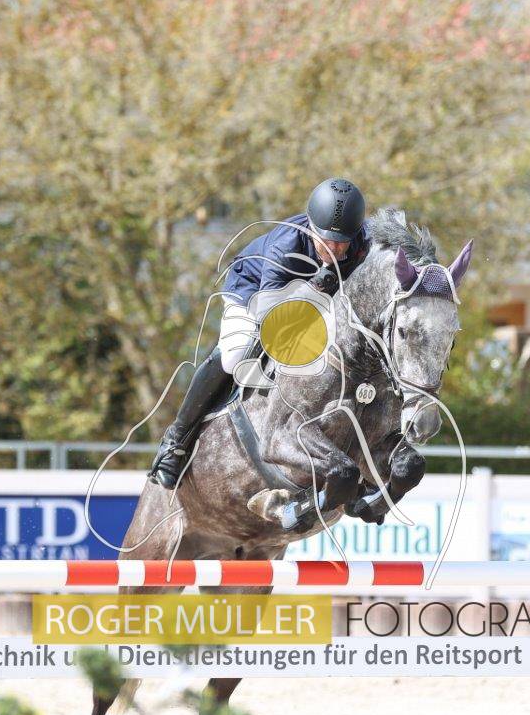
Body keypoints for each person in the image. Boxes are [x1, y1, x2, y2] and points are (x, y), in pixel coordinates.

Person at [147, 178, 372, 489]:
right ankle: (175, 442)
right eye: (326, 241)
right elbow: (271, 317)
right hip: (254, 292)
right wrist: (315, 287)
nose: (334, 249)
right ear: (311, 227)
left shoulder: (362, 241)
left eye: (341, 242)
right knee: (235, 354)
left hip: (317, 302)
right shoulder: (285, 246)